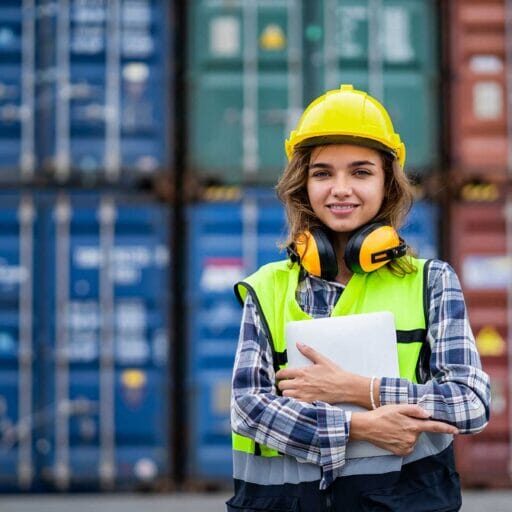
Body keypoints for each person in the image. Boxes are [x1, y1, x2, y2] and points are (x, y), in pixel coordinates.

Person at [227, 84, 490, 511]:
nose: (340, 188)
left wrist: (357, 388)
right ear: (303, 185)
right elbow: (247, 409)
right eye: (323, 173)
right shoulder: (268, 287)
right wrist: (357, 427)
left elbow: (470, 403)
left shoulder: (431, 282)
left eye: (361, 171)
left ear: (388, 183)